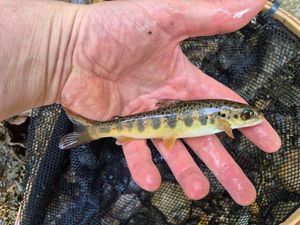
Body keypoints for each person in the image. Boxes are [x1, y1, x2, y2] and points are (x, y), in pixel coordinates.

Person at [0, 0, 281, 206]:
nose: (251, 117)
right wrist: (68, 44)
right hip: (141, 122)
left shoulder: (221, 116)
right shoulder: (222, 119)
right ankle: (93, 129)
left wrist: (61, 45)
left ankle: (94, 129)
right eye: (246, 115)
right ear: (227, 118)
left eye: (246, 115)